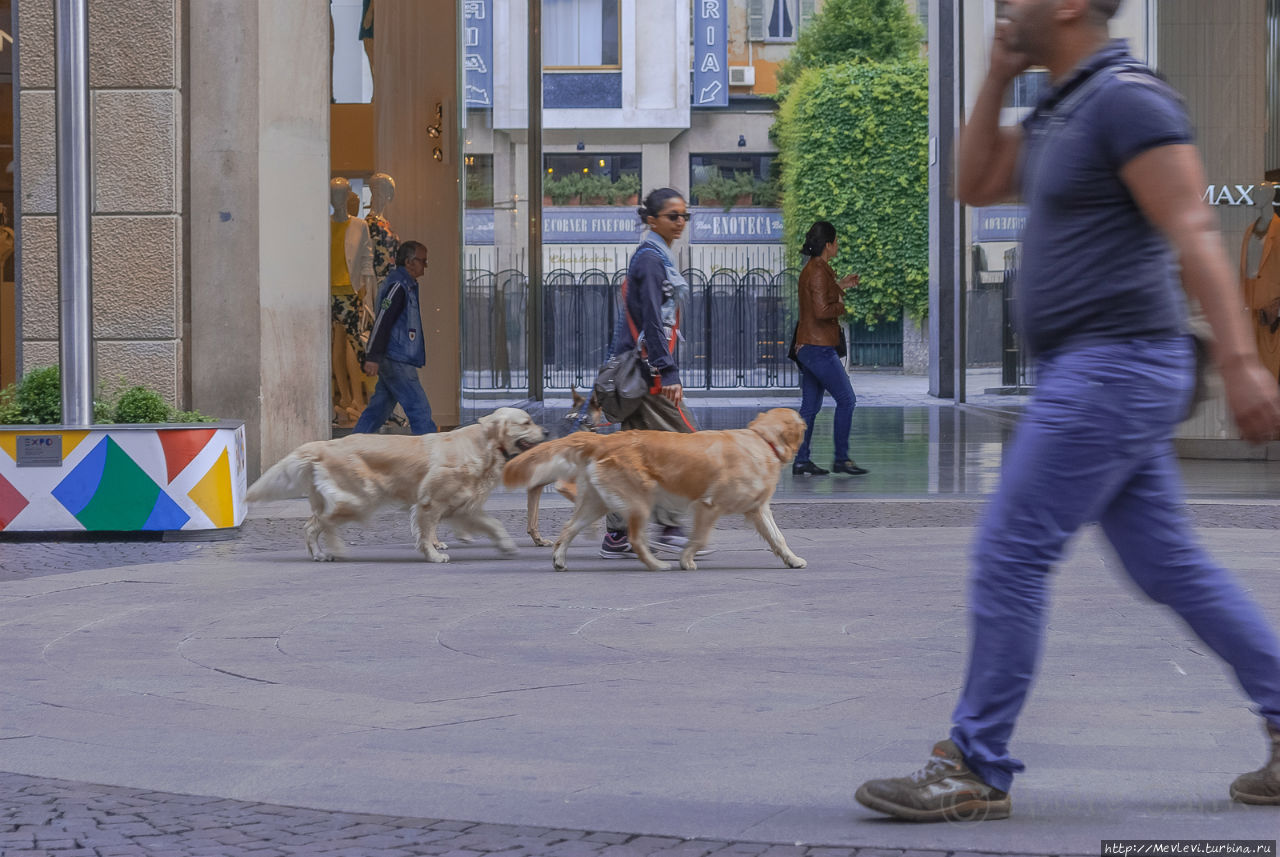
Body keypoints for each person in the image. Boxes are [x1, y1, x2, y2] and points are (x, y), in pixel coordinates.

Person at [855, 0, 1280, 823]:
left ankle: (975, 760)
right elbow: (974, 183)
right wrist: (996, 72)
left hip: (1113, 362)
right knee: (1169, 566)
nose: (1007, 5)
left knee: (1013, 550)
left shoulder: (1128, 98)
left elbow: (1192, 223)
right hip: (1093, 368)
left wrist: (1240, 361)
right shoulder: (1062, 107)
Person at [598, 188, 710, 560]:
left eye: (684, 216)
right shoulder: (651, 259)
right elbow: (650, 319)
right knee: (687, 446)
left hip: (641, 372)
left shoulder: (656, 256)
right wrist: (669, 371)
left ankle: (618, 533)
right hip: (649, 375)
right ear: (652, 220)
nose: (681, 222)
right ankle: (672, 528)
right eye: (673, 216)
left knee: (637, 456)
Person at [790, 221, 868, 477]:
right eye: (835, 242)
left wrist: (841, 285)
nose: (837, 246)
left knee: (810, 407)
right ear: (828, 244)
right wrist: (842, 305)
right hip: (819, 347)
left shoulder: (814, 269)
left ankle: (801, 461)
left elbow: (820, 295)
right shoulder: (819, 271)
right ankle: (841, 459)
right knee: (847, 399)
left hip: (809, 346)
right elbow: (822, 310)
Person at [352, 240, 438, 435]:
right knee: (419, 409)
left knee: (378, 409)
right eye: (422, 261)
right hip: (396, 357)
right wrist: (373, 356)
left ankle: (351, 447)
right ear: (409, 262)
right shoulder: (398, 286)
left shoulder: (405, 285)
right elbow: (383, 320)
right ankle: (433, 455)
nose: (425, 266)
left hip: (395, 356)